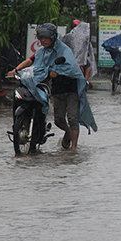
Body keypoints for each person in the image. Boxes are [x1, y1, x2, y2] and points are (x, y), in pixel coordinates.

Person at [27, 23, 97, 151]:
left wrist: (58, 71)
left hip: (71, 89)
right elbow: (37, 66)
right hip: (57, 90)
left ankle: (74, 148)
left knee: (72, 118)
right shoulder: (43, 52)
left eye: (46, 38)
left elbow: (72, 68)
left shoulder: (66, 51)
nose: (43, 40)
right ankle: (68, 132)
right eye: (41, 38)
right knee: (58, 120)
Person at [61, 20, 98, 89]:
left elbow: (88, 49)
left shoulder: (84, 38)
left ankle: (85, 81)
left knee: (88, 65)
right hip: (70, 58)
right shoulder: (69, 36)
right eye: (74, 26)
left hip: (81, 59)